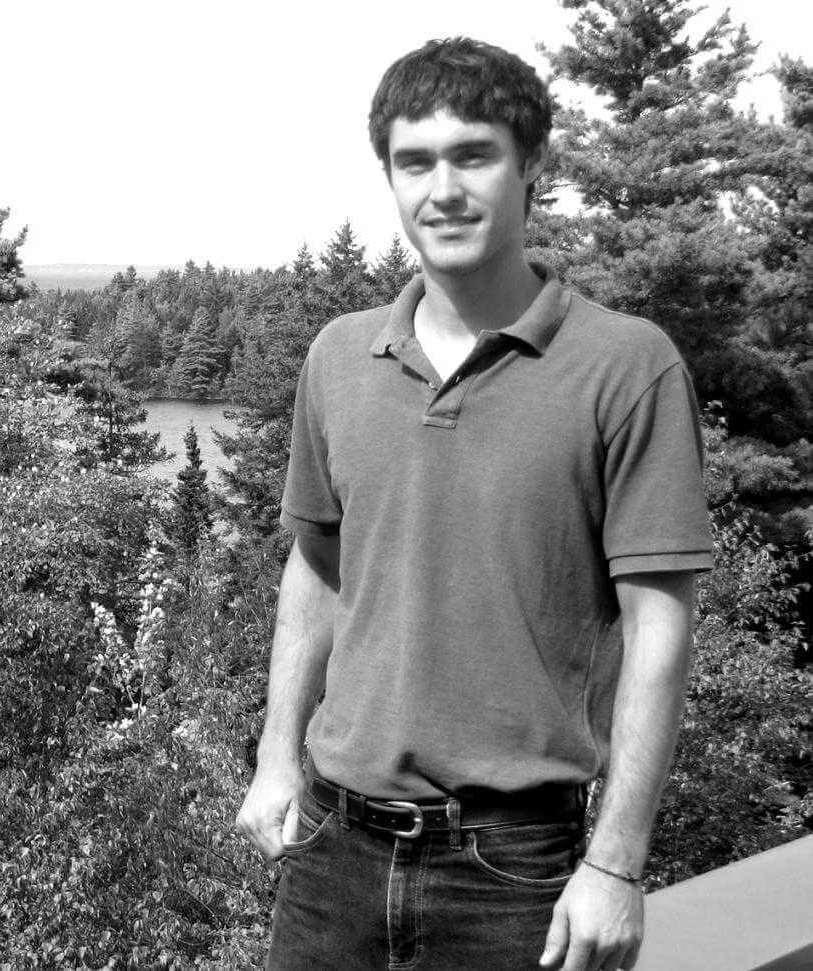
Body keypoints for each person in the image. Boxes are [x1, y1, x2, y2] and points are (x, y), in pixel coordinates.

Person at [233, 36, 713, 971]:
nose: (442, 190)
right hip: (329, 849)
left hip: (512, 868)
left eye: (473, 155)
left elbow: (661, 627)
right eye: (415, 162)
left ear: (532, 164)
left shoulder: (627, 365)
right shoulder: (339, 357)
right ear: (389, 177)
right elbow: (317, 569)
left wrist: (617, 861)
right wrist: (274, 756)